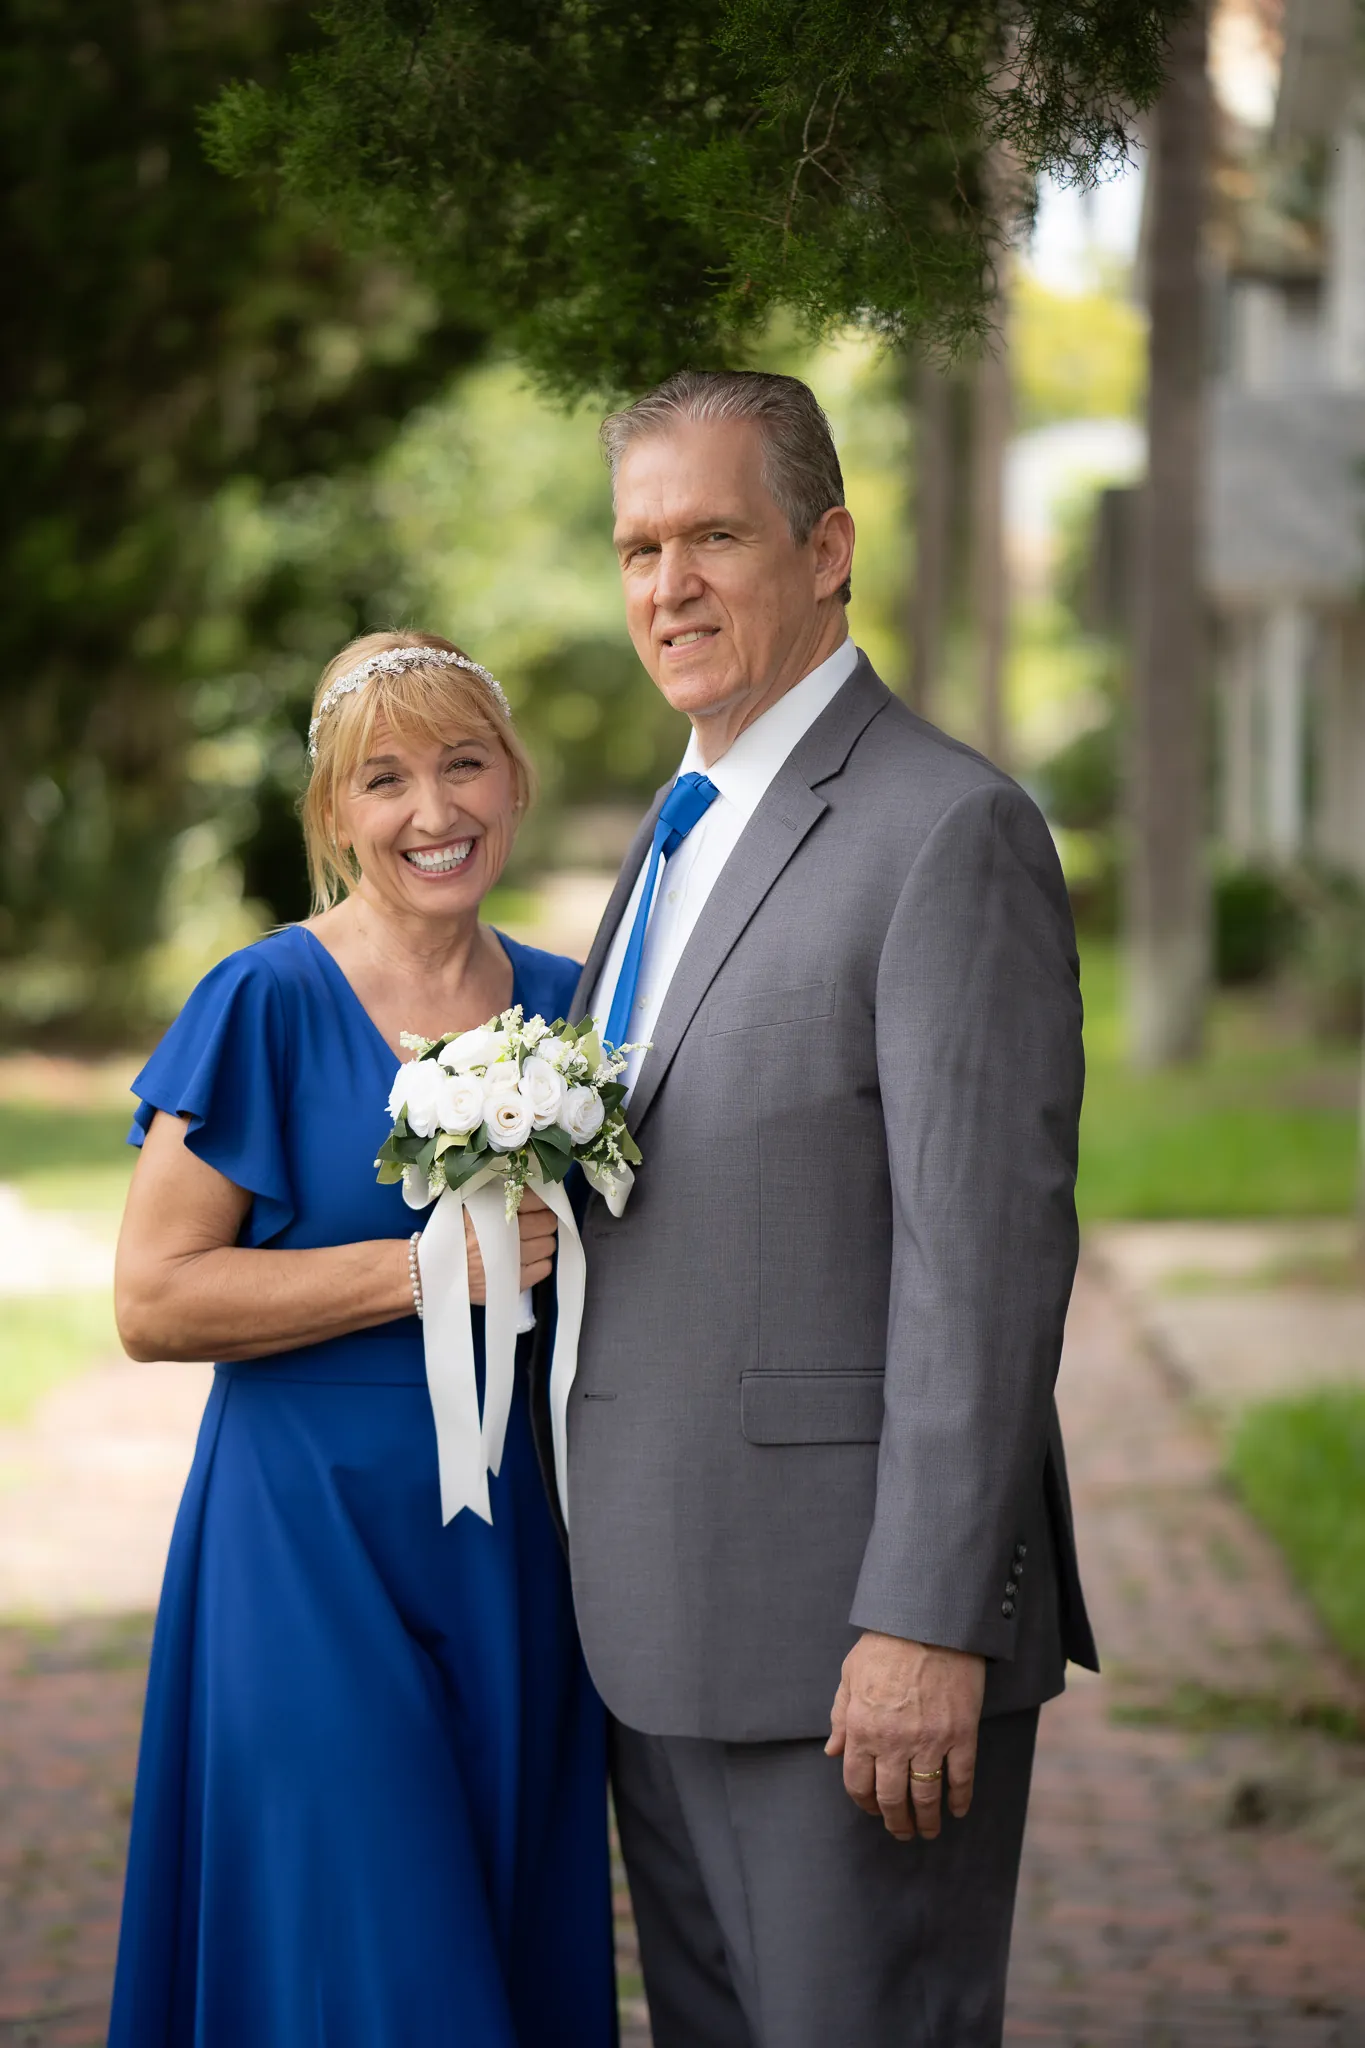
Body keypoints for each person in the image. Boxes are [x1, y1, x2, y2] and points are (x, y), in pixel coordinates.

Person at [557, 370, 1099, 2047]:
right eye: (642, 546)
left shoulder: (949, 831)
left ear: (829, 547)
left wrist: (925, 1619)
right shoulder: (678, 828)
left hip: (849, 1648)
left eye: (715, 533)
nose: (671, 586)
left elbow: (985, 1267)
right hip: (657, 1628)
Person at [108, 631, 616, 2048]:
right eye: (385, 780)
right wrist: (415, 1271)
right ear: (336, 816)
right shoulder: (265, 999)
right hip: (305, 1545)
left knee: (493, 1927)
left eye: (465, 766)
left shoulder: (574, 1007)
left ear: (515, 784)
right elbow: (154, 1300)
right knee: (377, 1949)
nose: (433, 811)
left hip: (516, 1552)